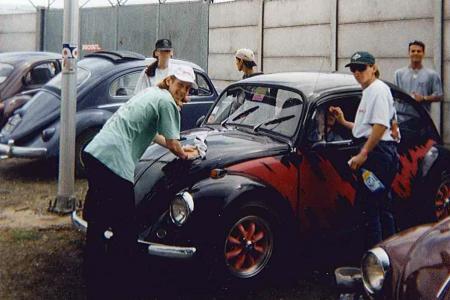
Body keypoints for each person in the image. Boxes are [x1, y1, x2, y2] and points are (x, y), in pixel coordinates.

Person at [82, 65, 199, 299]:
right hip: (114, 162)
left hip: (95, 153)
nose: (183, 92)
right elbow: (175, 143)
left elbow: (154, 134)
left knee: (98, 220)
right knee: (125, 227)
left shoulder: (150, 94)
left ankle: (92, 275)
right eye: (180, 86)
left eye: (187, 88)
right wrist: (187, 154)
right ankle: (119, 284)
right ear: (169, 81)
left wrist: (176, 146)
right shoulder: (167, 101)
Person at [330, 51, 399, 249]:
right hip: (379, 152)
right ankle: (389, 253)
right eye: (353, 69)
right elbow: (365, 128)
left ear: (373, 68)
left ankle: (376, 259)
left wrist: (363, 153)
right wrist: (343, 122)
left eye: (362, 68)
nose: (357, 73)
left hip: (377, 156)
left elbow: (380, 127)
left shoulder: (377, 90)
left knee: (370, 208)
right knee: (381, 207)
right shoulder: (371, 90)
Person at [394, 40, 443, 113]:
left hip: (423, 117)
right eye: (413, 51)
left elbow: (439, 96)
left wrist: (424, 98)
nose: (415, 53)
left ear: (423, 53)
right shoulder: (399, 74)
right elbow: (394, 94)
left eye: (419, 51)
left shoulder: (432, 74)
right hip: (403, 117)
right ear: (409, 53)